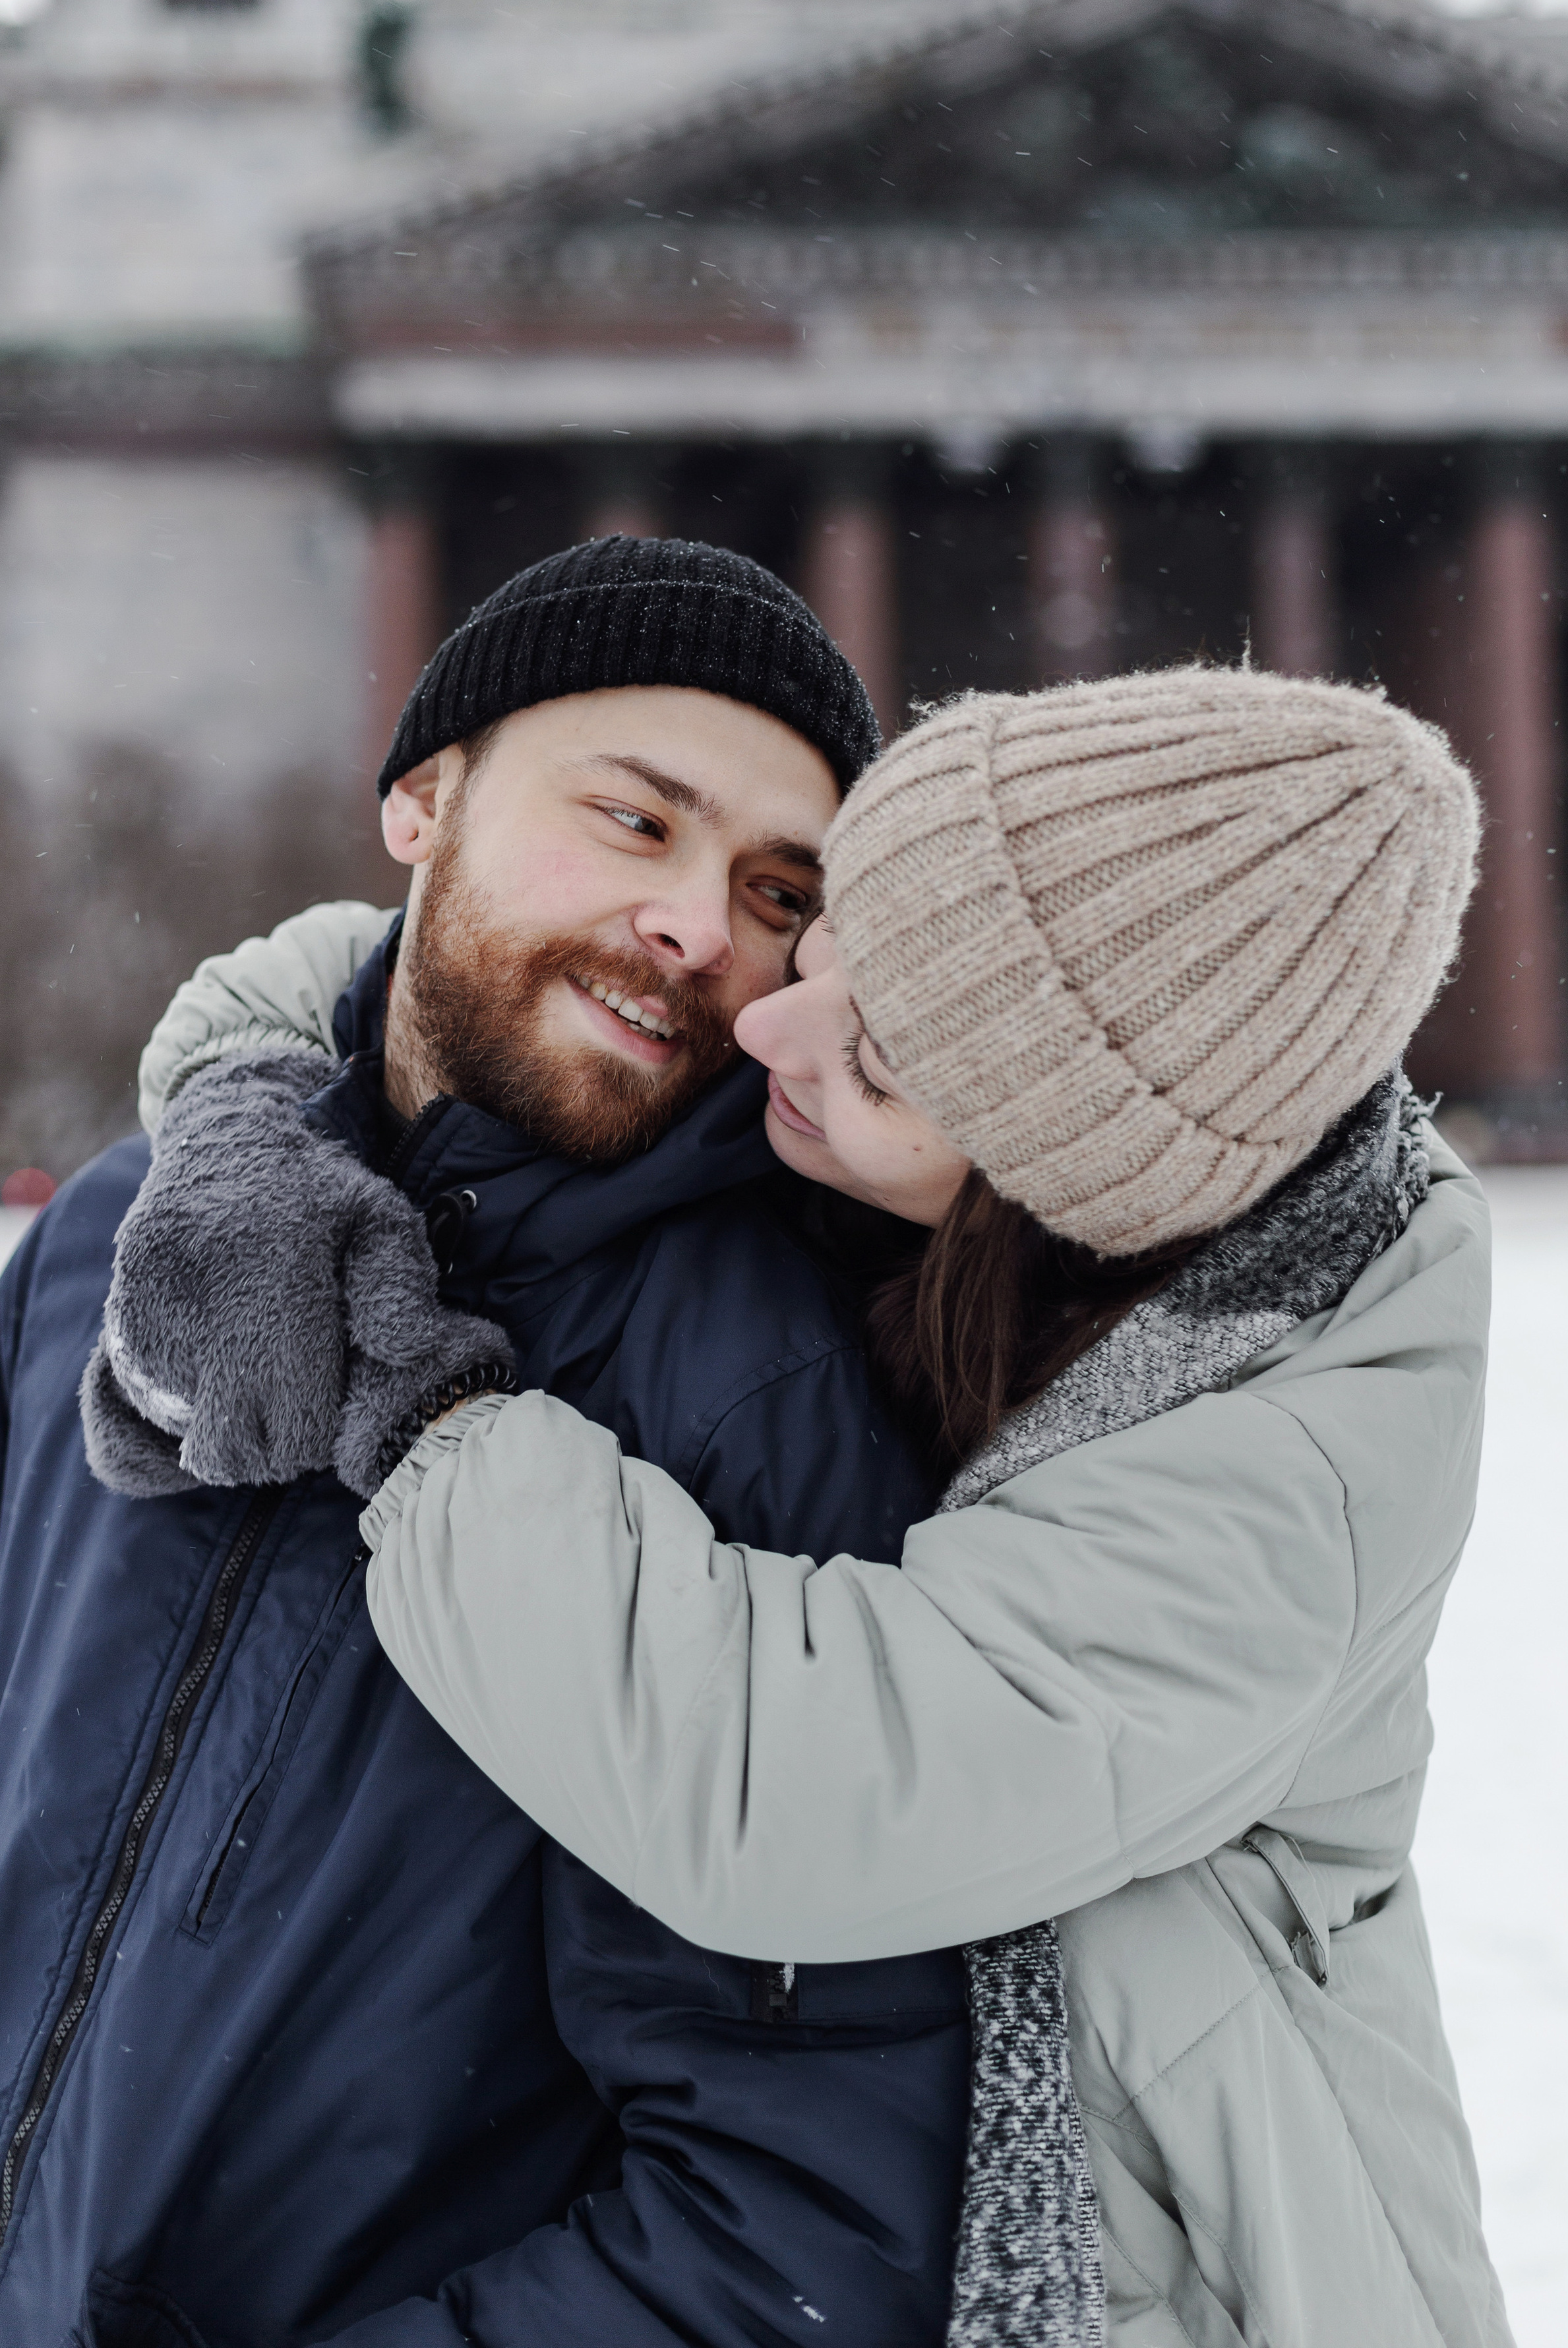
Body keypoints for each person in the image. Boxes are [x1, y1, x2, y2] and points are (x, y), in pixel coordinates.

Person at [125, 664, 1513, 2347]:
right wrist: (253, 1112)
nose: (768, 1029)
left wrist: (423, 1411)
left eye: (875, 1059)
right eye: (827, 941)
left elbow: (777, 1786)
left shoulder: (1283, 1491)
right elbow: (415, 966)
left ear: (1040, 1196)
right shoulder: (986, 1171)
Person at [0, 535, 974, 2347]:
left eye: (777, 892)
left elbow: (798, 2235)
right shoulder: (109, 1244)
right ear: (422, 800)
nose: (700, 925)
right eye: (634, 819)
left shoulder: (765, 1417)